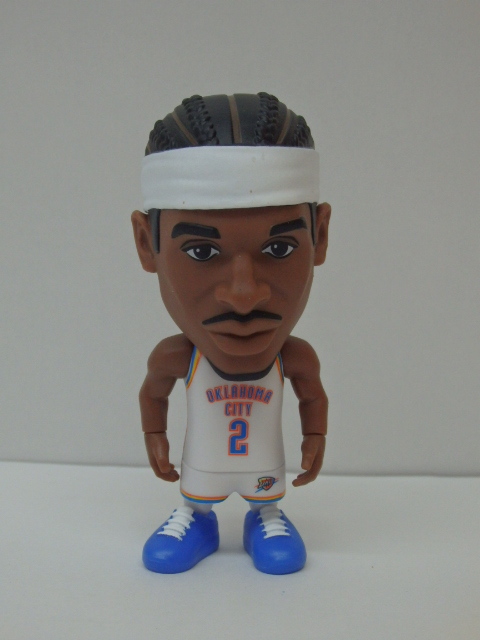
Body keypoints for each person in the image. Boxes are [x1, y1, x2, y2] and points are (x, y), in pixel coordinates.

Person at [131, 93, 331, 574]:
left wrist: (315, 436)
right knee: (198, 494)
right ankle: (196, 518)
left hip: (263, 467)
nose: (243, 296)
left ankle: (266, 517)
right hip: (203, 466)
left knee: (266, 497)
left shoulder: (294, 358)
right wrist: (154, 435)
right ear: (146, 245)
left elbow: (312, 396)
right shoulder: (176, 357)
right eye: (201, 252)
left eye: (279, 248)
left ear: (320, 236)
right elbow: (152, 393)